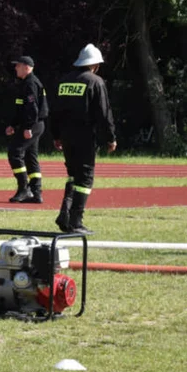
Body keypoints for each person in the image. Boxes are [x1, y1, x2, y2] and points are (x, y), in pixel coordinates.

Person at [51, 44, 116, 234]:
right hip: (85, 137)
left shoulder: (64, 81)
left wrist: (56, 136)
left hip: (66, 137)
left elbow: (55, 112)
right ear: (94, 64)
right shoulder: (95, 82)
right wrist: (110, 138)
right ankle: (76, 222)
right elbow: (104, 113)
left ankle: (64, 216)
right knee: (85, 179)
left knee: (73, 176)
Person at [4, 55, 49, 203]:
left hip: (32, 124)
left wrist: (29, 127)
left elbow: (32, 108)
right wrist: (13, 124)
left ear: (26, 67)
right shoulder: (25, 83)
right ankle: (36, 192)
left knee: (15, 152)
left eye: (18, 65)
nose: (15, 68)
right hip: (33, 124)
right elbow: (20, 108)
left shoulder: (30, 83)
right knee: (31, 158)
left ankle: (24, 189)